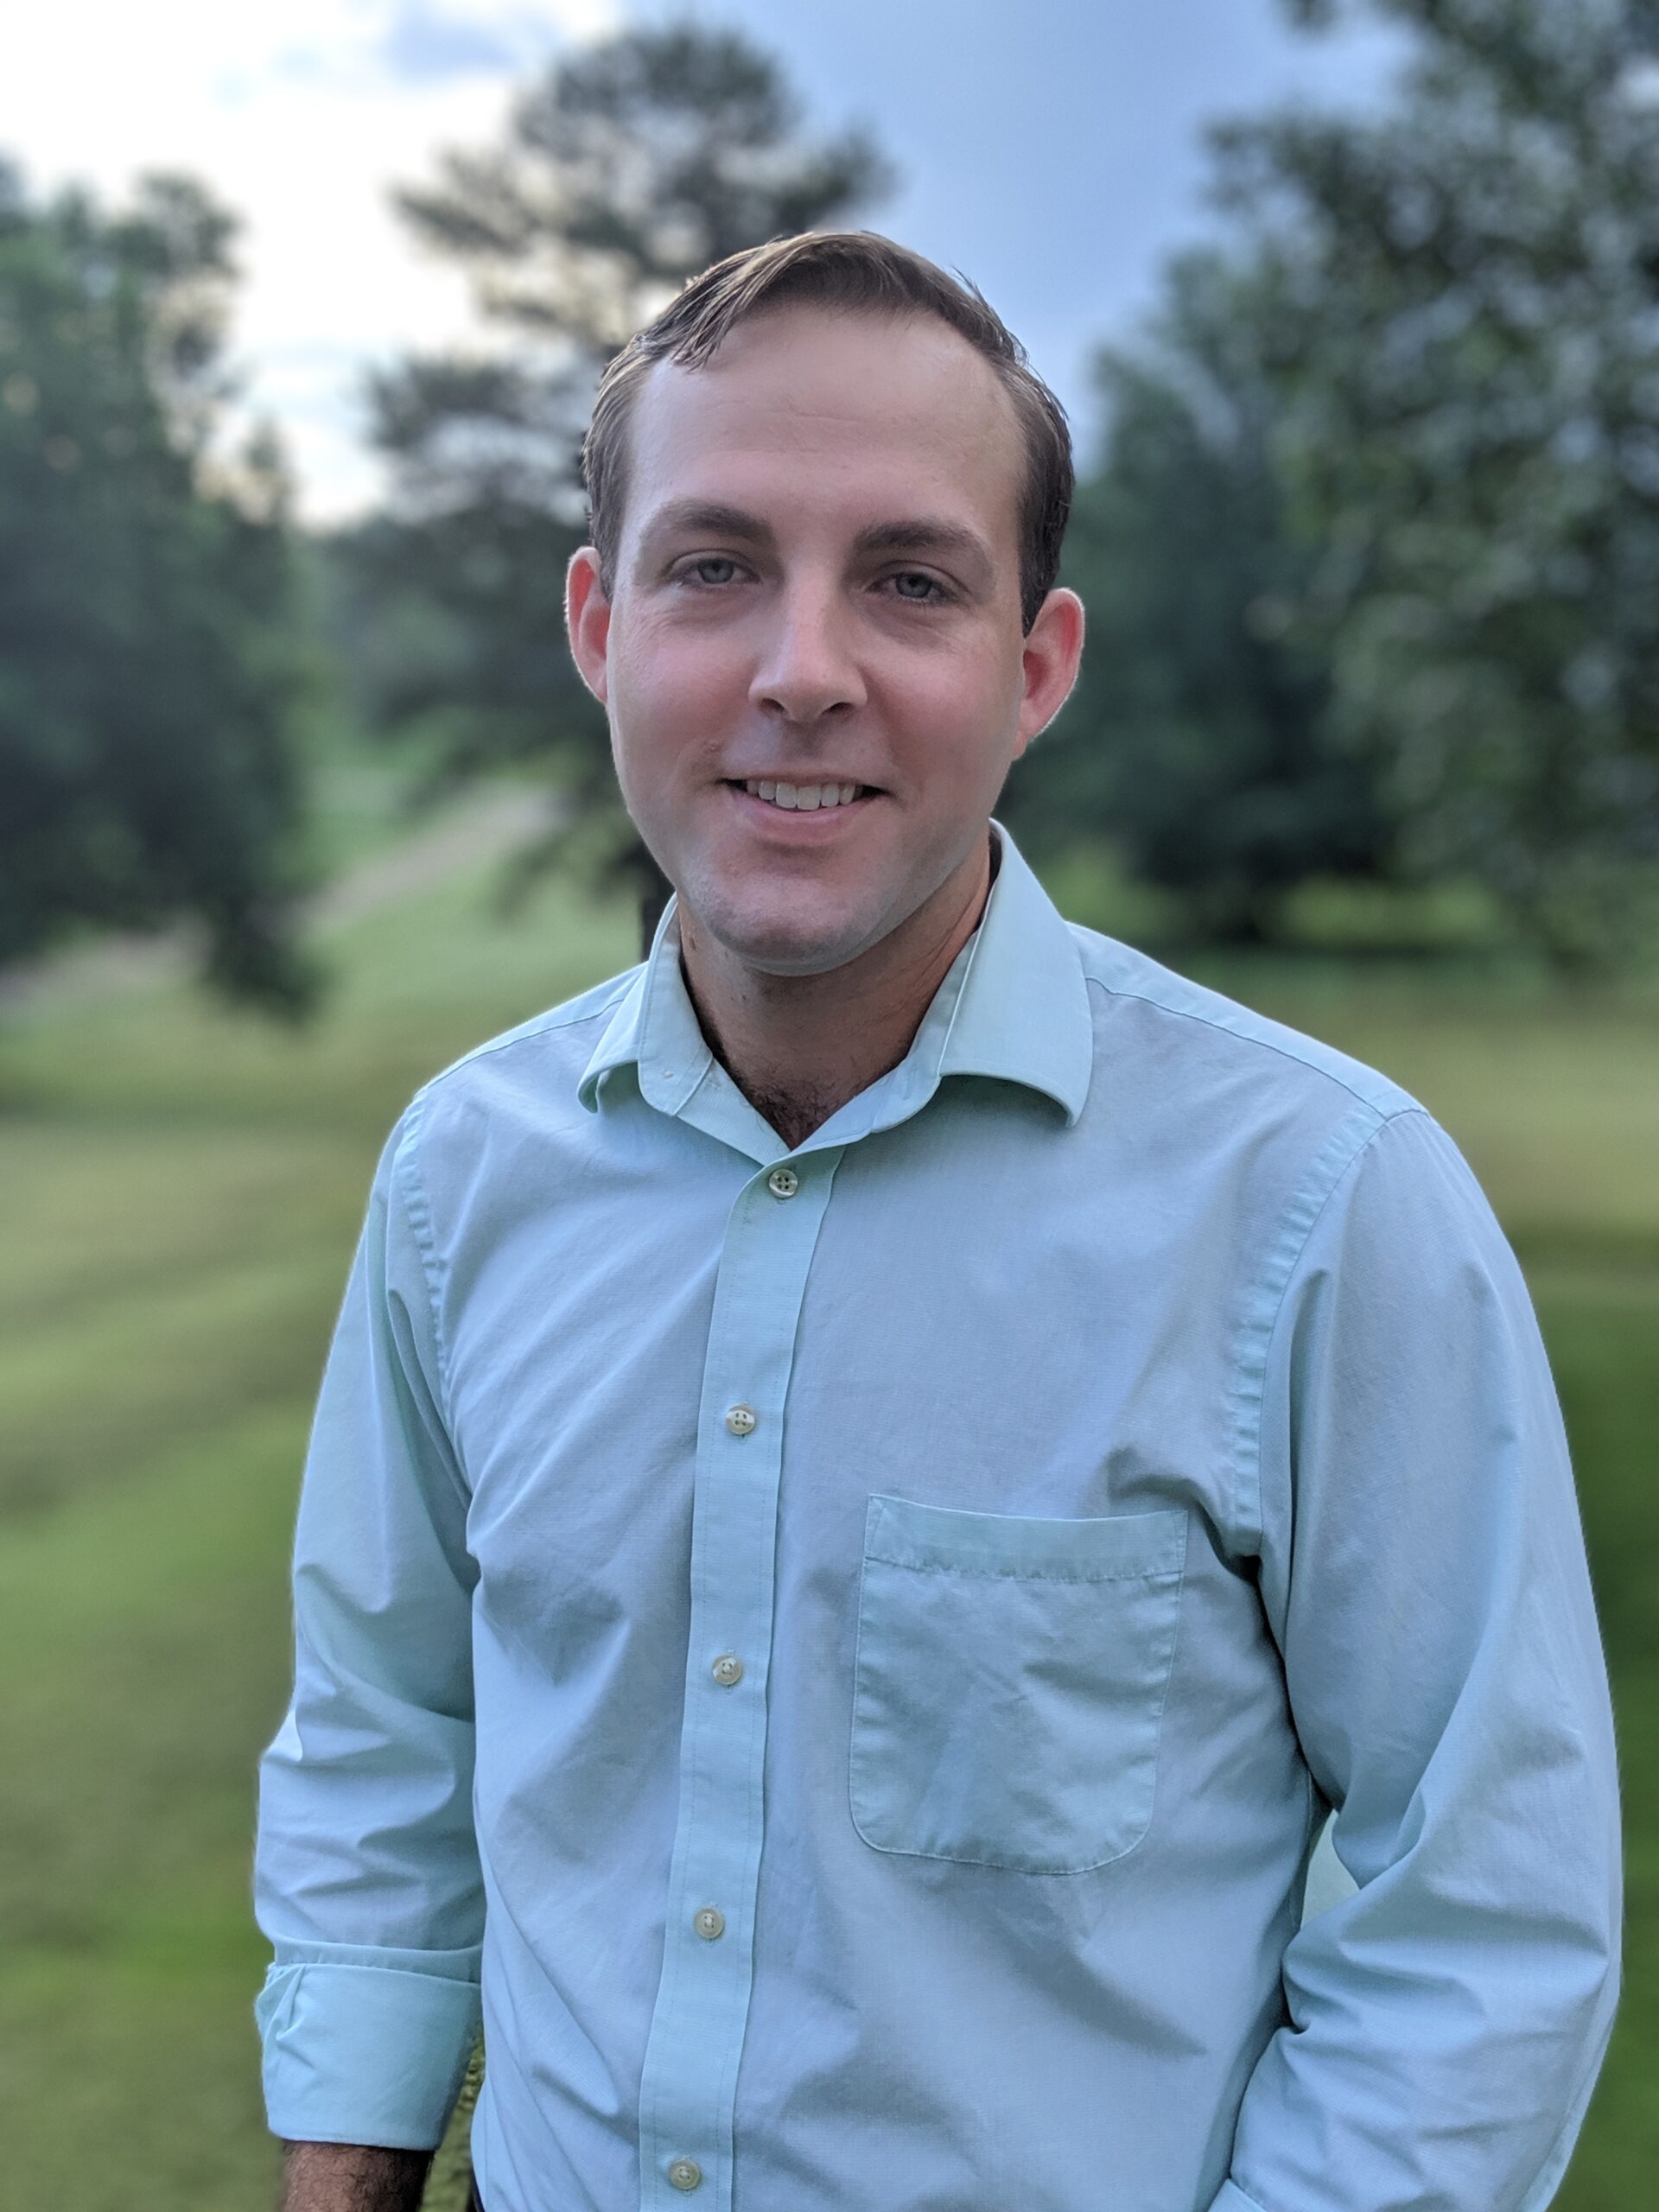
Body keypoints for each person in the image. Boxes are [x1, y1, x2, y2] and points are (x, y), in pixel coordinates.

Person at [254, 232, 1621, 2212]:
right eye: (715, 564)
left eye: (907, 579)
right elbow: (385, 1733)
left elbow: (1483, 1911)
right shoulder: (464, 1177)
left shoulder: (1318, 1204)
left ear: (1036, 664)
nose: (804, 669)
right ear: (598, 624)